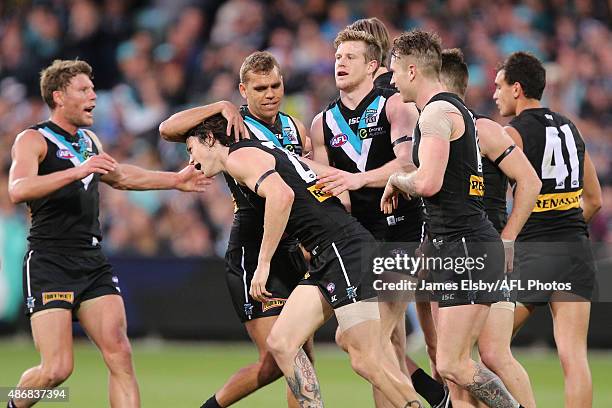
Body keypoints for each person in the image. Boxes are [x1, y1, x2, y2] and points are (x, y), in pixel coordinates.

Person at [181, 113, 424, 407]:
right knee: (281, 343)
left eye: (190, 149)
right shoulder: (265, 151)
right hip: (329, 252)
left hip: (342, 250)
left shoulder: (237, 157)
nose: (191, 161)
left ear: (209, 139)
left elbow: (281, 196)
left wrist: (264, 263)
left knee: (366, 359)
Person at [6, 59, 209, 408]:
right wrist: (78, 171)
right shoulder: (32, 139)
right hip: (49, 261)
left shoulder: (88, 140)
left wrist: (175, 180)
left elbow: (121, 176)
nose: (93, 97)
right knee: (56, 369)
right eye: (83, 90)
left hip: (92, 260)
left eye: (93, 89)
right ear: (58, 96)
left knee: (120, 355)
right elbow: (18, 189)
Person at [159, 51, 313, 408]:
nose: (271, 94)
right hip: (253, 247)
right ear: (243, 90)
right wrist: (218, 106)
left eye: (276, 85)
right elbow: (168, 129)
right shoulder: (230, 125)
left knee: (298, 357)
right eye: (260, 88)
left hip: (291, 249)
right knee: (283, 359)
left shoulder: (294, 128)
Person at [381, 30, 524, 408]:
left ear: (413, 70)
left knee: (454, 364)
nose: (392, 79)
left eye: (395, 70)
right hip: (461, 246)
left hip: (466, 248)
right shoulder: (455, 110)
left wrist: (397, 179)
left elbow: (428, 182)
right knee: (456, 369)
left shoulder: (435, 114)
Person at [311, 27, 444, 408]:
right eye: (337, 57)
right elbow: (330, 188)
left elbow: (407, 163)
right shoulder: (323, 123)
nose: (340, 63)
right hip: (360, 239)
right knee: (385, 344)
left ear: (373, 66)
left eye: (350, 57)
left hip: (403, 232)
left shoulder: (393, 105)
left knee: (363, 341)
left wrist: (358, 179)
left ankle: (434, 399)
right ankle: (437, 398)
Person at [494, 51, 602, 408]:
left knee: (487, 346)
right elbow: (594, 200)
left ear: (517, 89)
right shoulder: (571, 128)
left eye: (500, 86)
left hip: (533, 252)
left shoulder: (513, 133)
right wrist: (565, 229)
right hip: (574, 248)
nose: (495, 94)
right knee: (574, 358)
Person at [440, 48, 540, 408]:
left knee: (494, 354)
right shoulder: (434, 134)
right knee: (453, 366)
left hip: (485, 251)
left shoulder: (485, 130)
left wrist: (508, 238)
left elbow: (530, 182)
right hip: (451, 254)